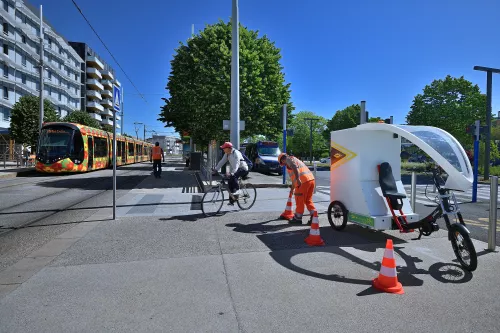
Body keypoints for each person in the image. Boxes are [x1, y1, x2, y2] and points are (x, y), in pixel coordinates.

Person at [278, 152, 316, 224]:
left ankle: (297, 218)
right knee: (308, 200)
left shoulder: (288, 160)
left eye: (282, 163)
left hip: (303, 182)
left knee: (299, 200)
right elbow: (294, 178)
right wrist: (292, 189)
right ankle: (314, 217)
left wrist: (298, 179)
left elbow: (294, 167)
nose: (284, 165)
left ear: (282, 160)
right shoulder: (295, 159)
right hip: (311, 180)